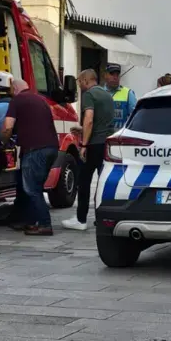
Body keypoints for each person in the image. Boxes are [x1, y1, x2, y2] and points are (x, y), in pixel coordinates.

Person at [1, 79, 59, 236]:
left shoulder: (17, 101)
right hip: (52, 148)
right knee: (36, 187)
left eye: (10, 89)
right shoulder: (40, 99)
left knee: (31, 189)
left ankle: (45, 225)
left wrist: (3, 142)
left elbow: (7, 127)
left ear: (15, 88)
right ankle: (33, 222)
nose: (10, 93)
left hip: (35, 150)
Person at [62, 69, 115, 232]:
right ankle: (102, 218)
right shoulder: (107, 95)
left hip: (94, 144)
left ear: (86, 80)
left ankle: (81, 219)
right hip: (107, 143)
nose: (78, 84)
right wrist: (82, 130)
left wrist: (84, 144)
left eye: (79, 81)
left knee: (83, 181)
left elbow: (90, 119)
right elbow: (101, 121)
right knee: (103, 182)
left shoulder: (89, 95)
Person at [102, 63, 136, 131]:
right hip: (103, 137)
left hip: (121, 138)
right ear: (105, 75)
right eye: (112, 74)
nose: (115, 77)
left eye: (117, 75)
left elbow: (135, 118)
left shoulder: (128, 93)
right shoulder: (99, 93)